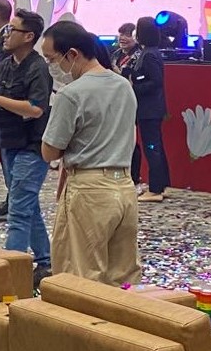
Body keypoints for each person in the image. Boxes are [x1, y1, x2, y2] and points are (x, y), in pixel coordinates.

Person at [40, 20, 141, 286]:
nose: (52, 66)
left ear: (72, 54)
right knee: (123, 278)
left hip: (89, 189)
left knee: (81, 277)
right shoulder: (124, 86)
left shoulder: (71, 94)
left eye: (52, 59)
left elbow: (50, 152)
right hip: (124, 186)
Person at [0, 10, 52, 285]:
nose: (6, 35)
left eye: (12, 30)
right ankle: (45, 262)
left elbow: (36, 108)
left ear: (29, 36)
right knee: (27, 205)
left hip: (32, 146)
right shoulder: (6, 64)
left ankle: (10, 275)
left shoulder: (38, 68)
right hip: (8, 142)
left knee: (18, 211)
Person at [125, 17, 170, 203]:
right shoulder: (147, 52)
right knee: (155, 147)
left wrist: (133, 87)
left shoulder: (150, 55)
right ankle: (162, 185)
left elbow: (156, 81)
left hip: (149, 109)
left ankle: (155, 189)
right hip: (148, 109)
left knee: (152, 149)